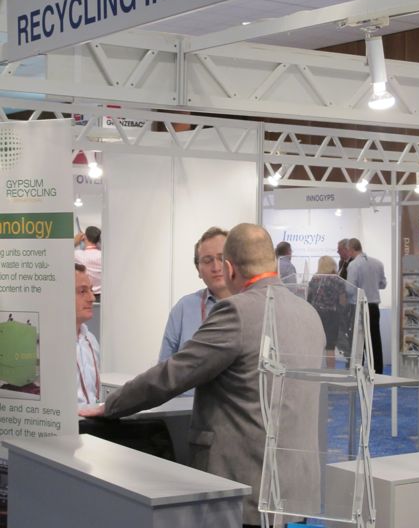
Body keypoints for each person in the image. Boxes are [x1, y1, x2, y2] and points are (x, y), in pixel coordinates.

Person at [80, 223, 326, 527]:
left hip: (244, 485)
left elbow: (172, 374)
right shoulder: (308, 314)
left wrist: (111, 404)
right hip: (292, 488)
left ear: (230, 268)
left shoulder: (236, 312)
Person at [159, 226, 230, 361]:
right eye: (207, 261)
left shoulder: (252, 306)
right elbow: (164, 367)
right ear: (198, 269)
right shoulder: (184, 309)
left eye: (222, 258)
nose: (216, 267)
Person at [346, 238, 387, 374]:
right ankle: (378, 371)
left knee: (358, 340)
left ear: (351, 249)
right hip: (374, 307)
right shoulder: (378, 263)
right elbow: (383, 284)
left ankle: (357, 370)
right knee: (375, 339)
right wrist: (371, 286)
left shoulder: (353, 265)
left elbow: (350, 289)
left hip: (358, 306)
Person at [308, 255, 346, 368]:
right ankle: (331, 373)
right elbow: (343, 301)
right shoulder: (338, 280)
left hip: (316, 315)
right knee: (330, 348)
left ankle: (314, 371)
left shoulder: (315, 279)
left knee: (315, 345)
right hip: (332, 316)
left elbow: (309, 297)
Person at [75, 263, 100, 406]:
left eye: (91, 290)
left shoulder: (90, 339)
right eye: (82, 291)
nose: (92, 298)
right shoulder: (49, 345)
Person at [74, 226, 102, 301]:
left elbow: (63, 254)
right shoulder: (102, 255)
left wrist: (75, 242)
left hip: (86, 295)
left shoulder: (78, 255)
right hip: (102, 296)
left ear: (84, 237)